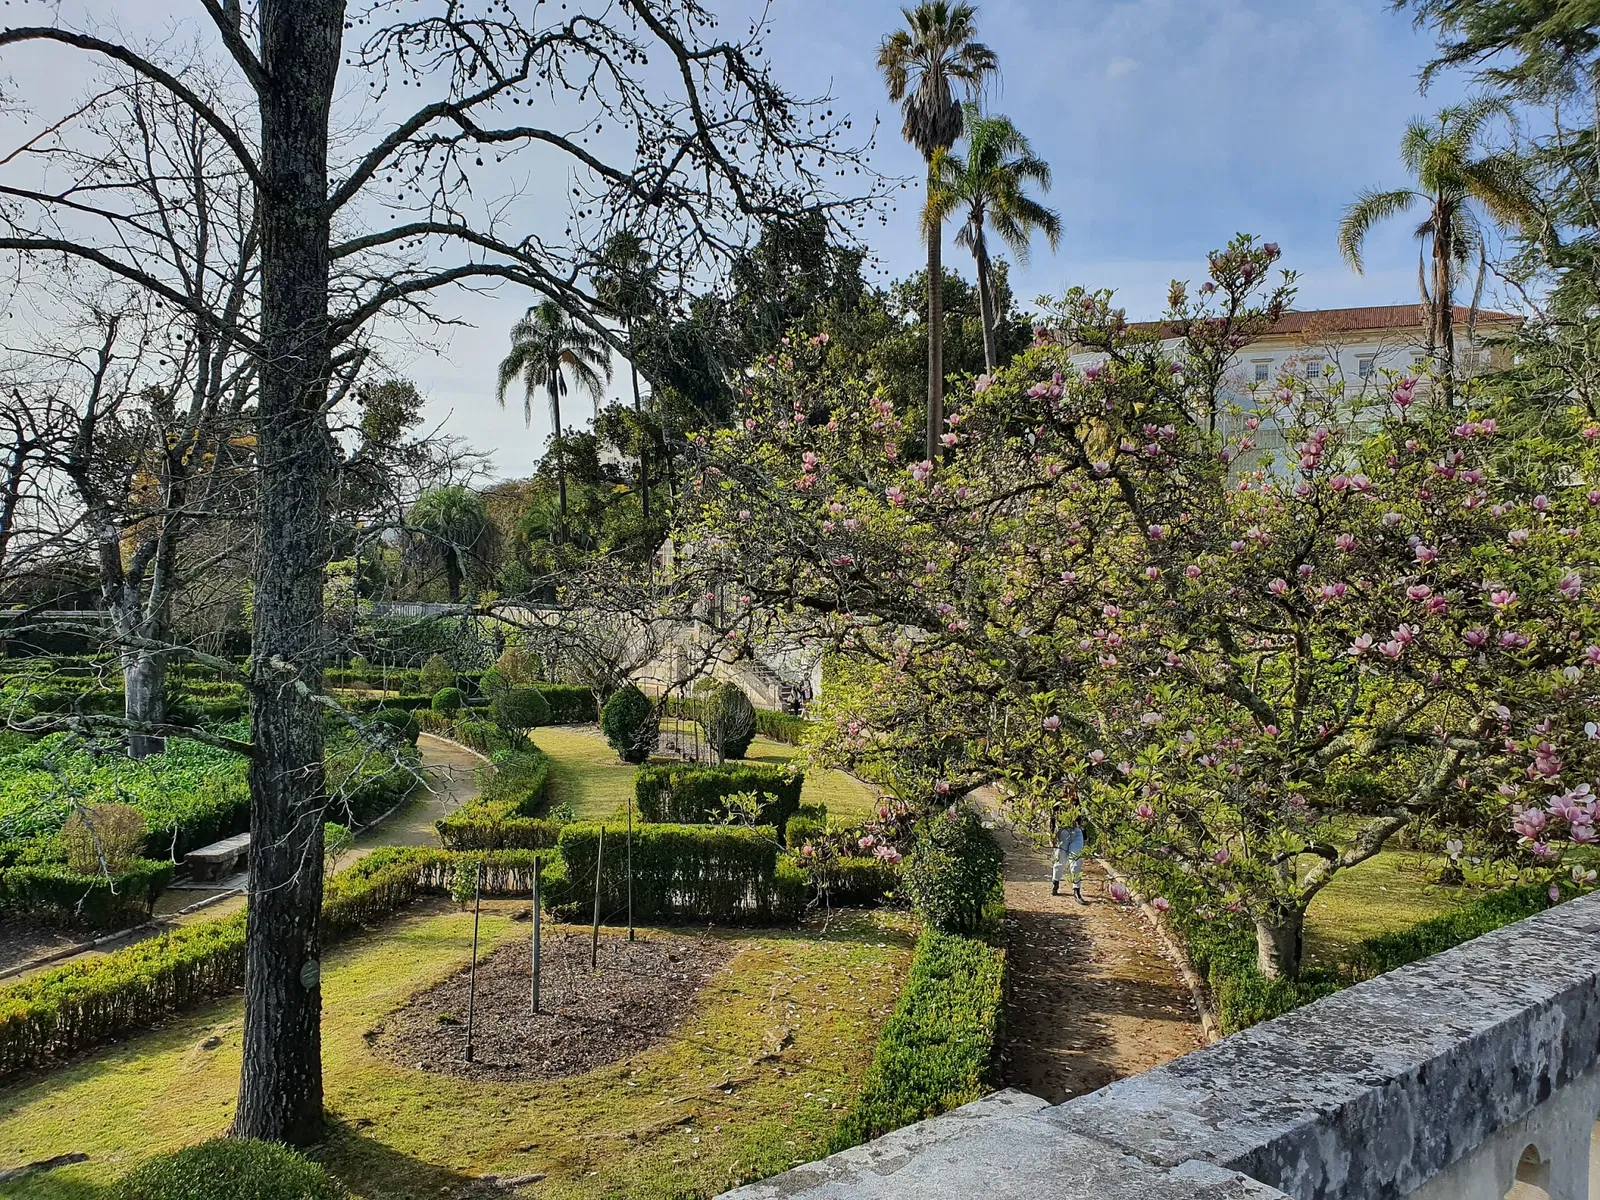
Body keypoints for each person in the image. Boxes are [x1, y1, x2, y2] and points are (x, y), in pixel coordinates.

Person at [1050, 808, 1087, 904]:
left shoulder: (1078, 802)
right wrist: (1052, 834)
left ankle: (1076, 890)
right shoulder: (1059, 803)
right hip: (1062, 832)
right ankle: (1055, 882)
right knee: (1060, 861)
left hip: (1077, 832)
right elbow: (1052, 817)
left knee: (1076, 862)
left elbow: (1083, 818)